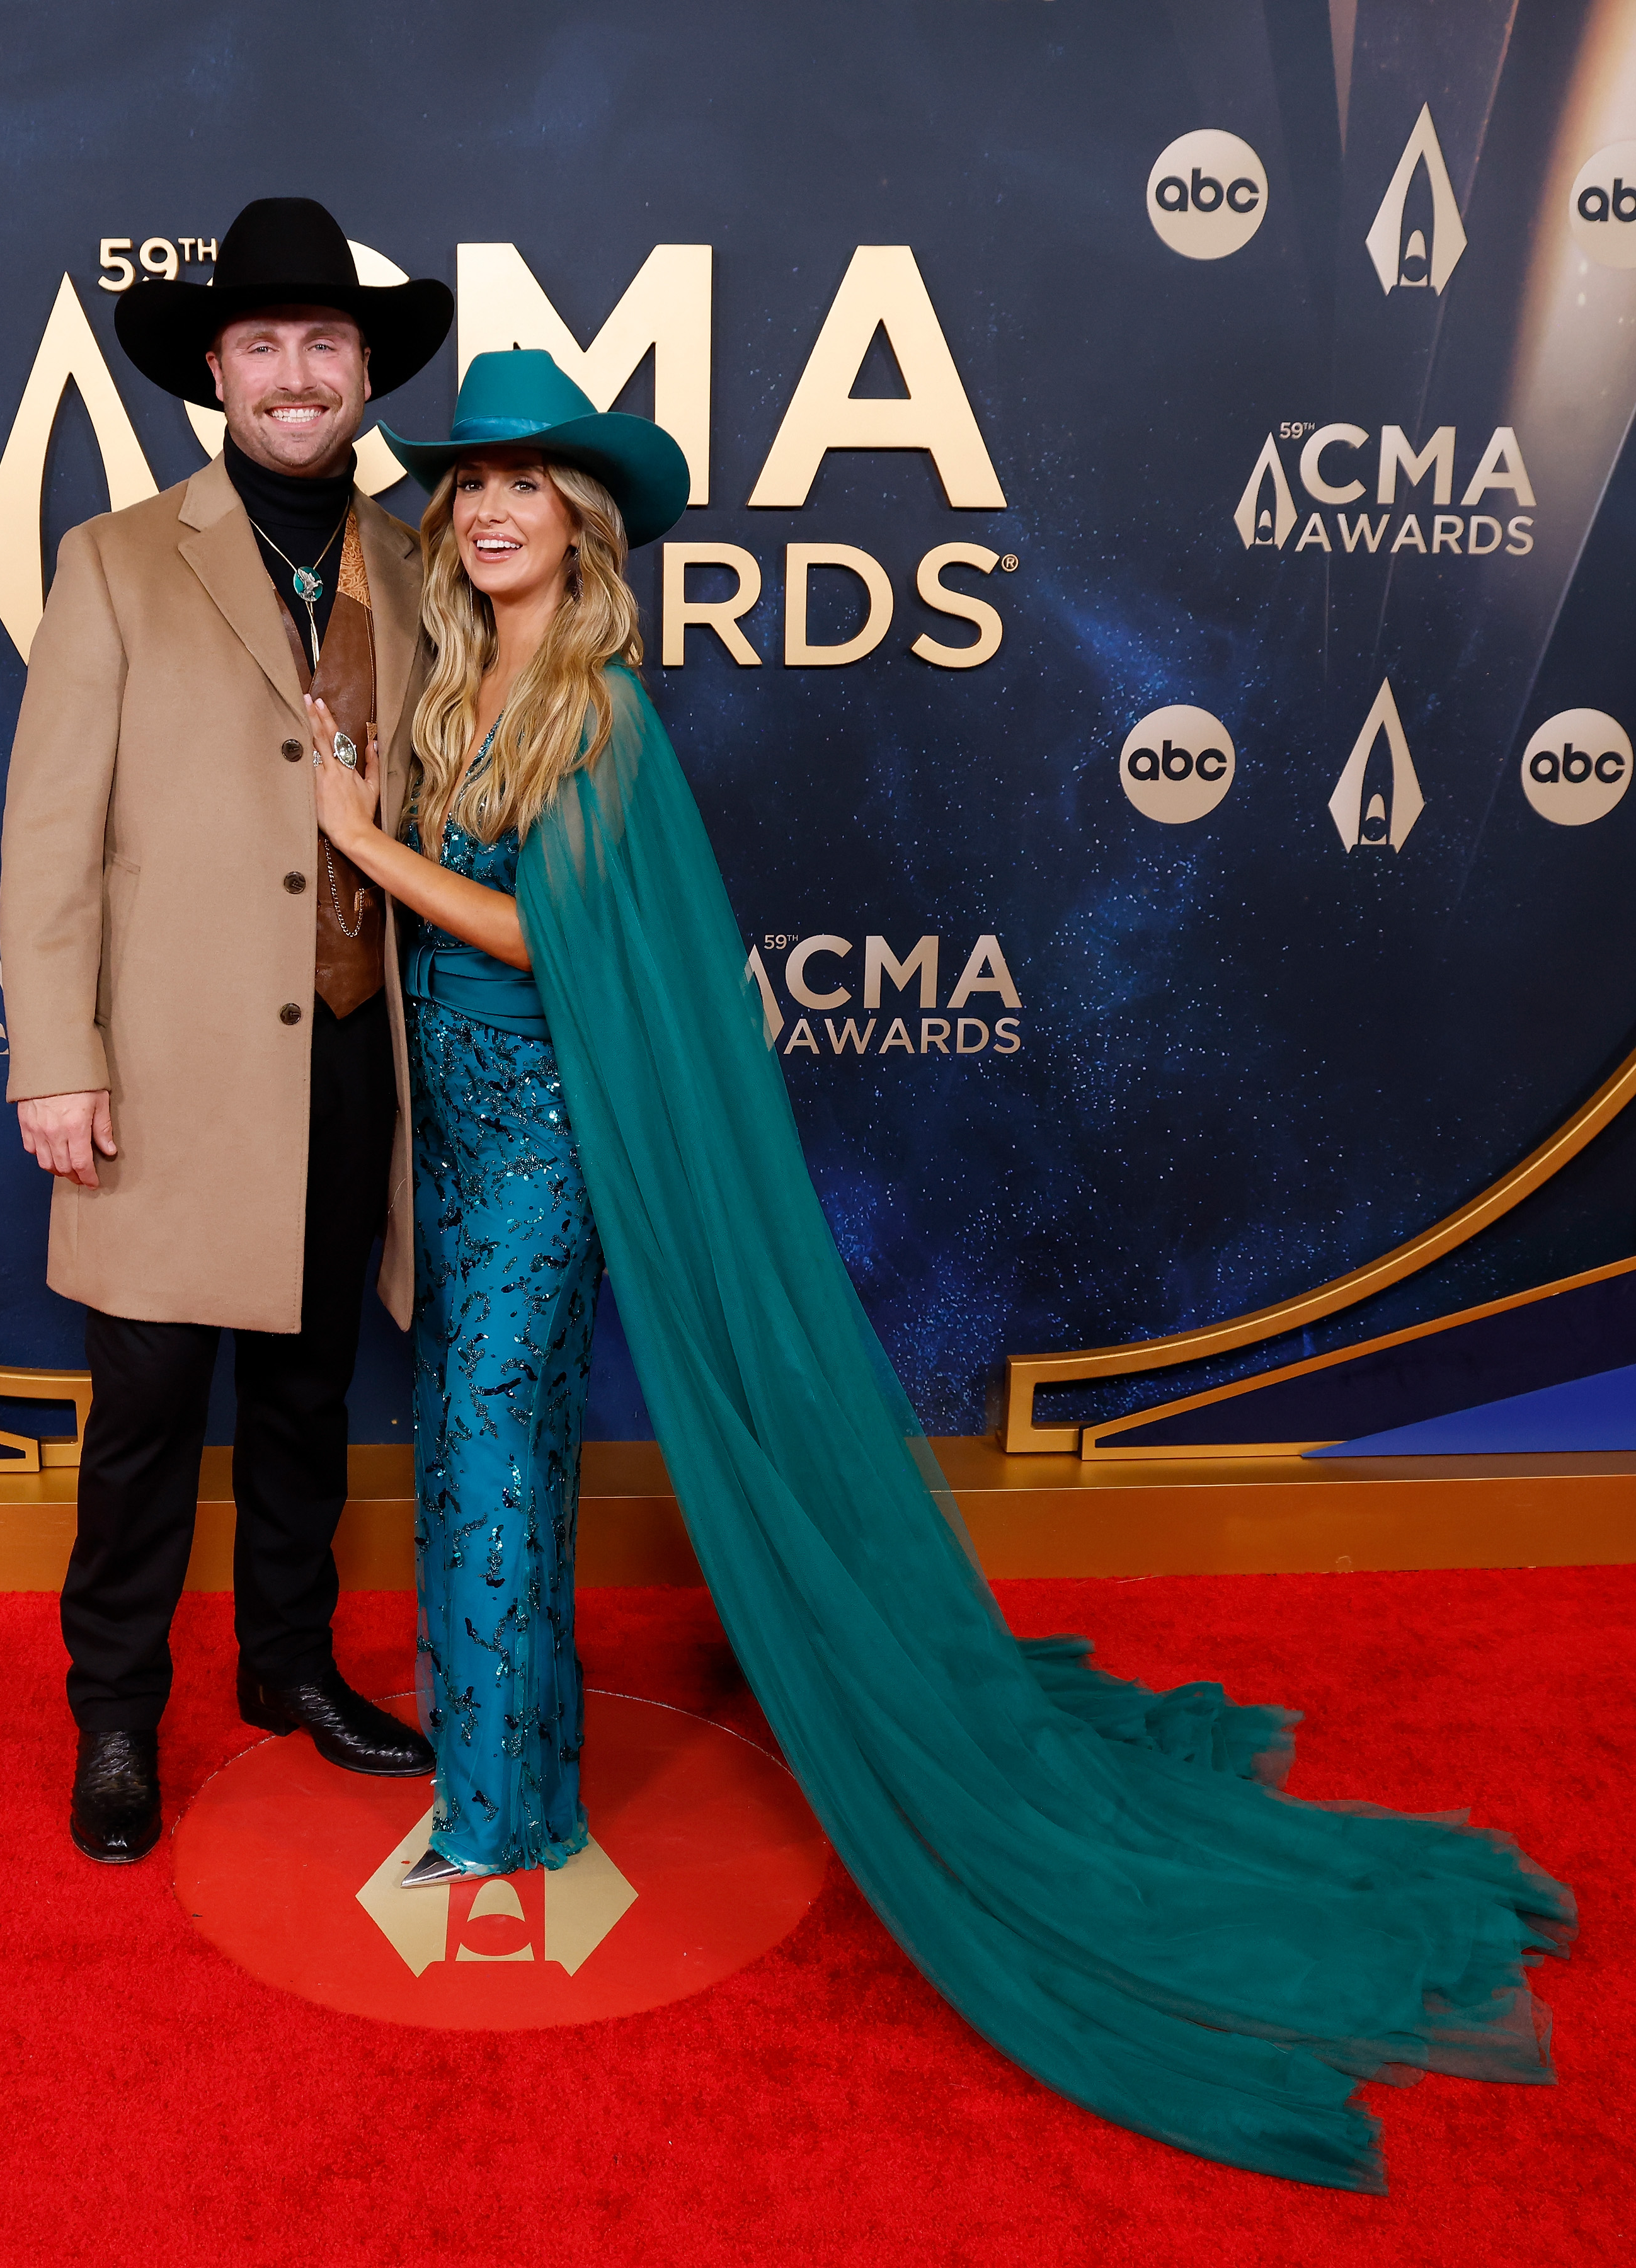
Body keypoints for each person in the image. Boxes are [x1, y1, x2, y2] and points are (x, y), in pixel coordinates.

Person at [307, 348, 1576, 2192]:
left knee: (495, 1449)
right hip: (461, 1138)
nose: (494, 512)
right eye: (473, 487)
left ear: (582, 526)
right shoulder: (455, 687)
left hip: (560, 1141)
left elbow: (548, 938)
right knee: (473, 1440)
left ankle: (499, 1823)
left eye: (528, 487)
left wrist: (359, 844)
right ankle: (512, 1776)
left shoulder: (601, 707)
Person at [0, 199, 453, 1865]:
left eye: (324, 341)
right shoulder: (117, 559)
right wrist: (59, 1055)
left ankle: (288, 1668)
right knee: (141, 1422)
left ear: (365, 371)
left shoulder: (419, 563)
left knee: (307, 1395)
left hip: (353, 1055)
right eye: (262, 343)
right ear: (216, 371)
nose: (295, 372)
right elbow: (50, 835)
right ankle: (117, 1714)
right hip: (169, 1071)